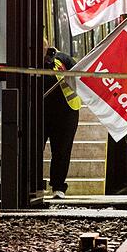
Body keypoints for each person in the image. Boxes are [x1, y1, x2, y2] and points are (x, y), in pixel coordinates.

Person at [42, 42, 82, 199]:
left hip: (66, 113)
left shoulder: (62, 59)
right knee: (34, 151)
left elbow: (79, 76)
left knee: (61, 152)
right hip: (40, 114)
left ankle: (58, 187)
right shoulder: (31, 63)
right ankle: (34, 185)